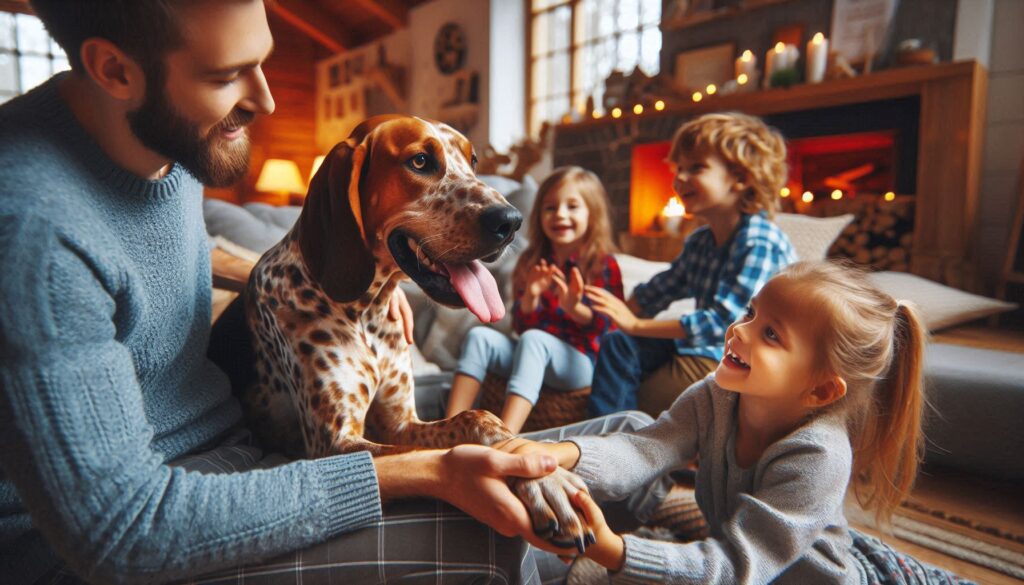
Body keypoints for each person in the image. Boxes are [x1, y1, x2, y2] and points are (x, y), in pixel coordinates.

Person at [0, 2, 563, 583]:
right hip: (142, 522)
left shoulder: (168, 136)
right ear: (115, 70)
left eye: (262, 61)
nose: (266, 100)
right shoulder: (31, 231)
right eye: (226, 75)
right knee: (497, 540)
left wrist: (309, 280)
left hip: (238, 445)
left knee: (591, 441)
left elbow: (160, 258)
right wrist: (433, 472)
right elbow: (123, 533)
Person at [501, 260, 974, 584]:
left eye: (770, 334)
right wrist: (557, 454)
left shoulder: (819, 456)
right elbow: (649, 447)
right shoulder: (718, 393)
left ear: (821, 391)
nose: (738, 331)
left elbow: (734, 567)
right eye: (751, 313)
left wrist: (613, 551)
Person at [585, 112, 797, 418]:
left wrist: (637, 325)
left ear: (741, 178)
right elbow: (653, 294)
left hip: (743, 360)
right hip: (702, 349)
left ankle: (625, 437)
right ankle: (606, 437)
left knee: (645, 397)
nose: (679, 179)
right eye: (678, 168)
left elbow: (725, 322)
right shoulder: (700, 242)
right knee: (619, 344)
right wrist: (601, 314)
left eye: (695, 168)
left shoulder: (759, 241)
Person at [446, 166, 624, 434]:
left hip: (581, 363)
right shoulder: (531, 261)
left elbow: (610, 328)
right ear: (539, 215)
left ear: (592, 213)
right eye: (550, 208)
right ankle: (450, 428)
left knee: (534, 340)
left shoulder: (602, 264)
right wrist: (530, 296)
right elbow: (520, 324)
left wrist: (576, 310)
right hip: (531, 352)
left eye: (572, 207)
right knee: (480, 337)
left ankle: (506, 437)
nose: (560, 215)